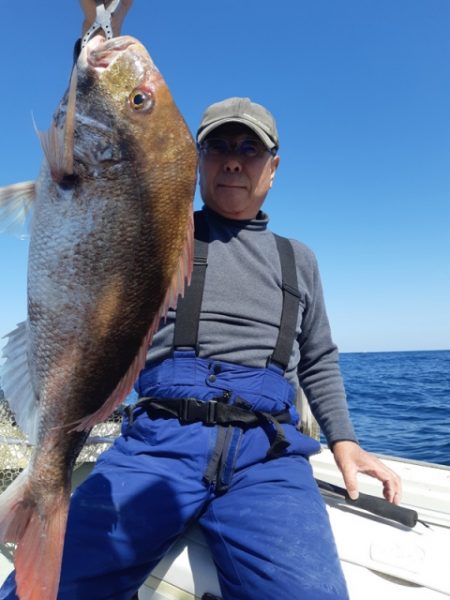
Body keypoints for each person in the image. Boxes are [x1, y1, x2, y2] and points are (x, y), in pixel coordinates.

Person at [0, 4, 402, 600]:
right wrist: (93, 34)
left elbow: (317, 358)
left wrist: (344, 442)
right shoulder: (160, 232)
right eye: (219, 147)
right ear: (196, 161)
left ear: (274, 167)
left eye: (251, 148)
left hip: (269, 455)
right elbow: (104, 145)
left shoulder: (301, 260)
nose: (235, 159)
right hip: (158, 441)